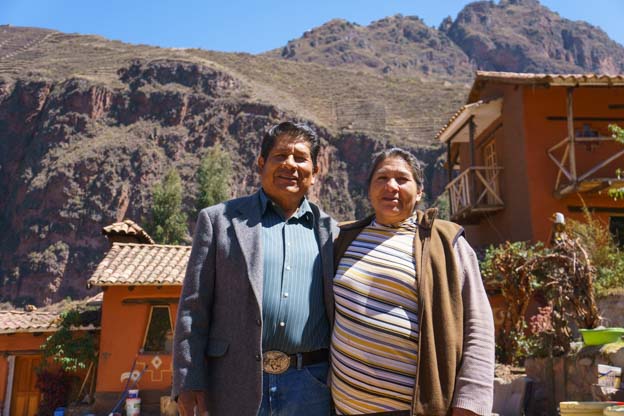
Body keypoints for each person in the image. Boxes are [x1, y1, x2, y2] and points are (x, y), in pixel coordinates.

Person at [172, 121, 338, 416]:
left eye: (300, 158)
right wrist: (187, 378)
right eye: (280, 156)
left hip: (310, 386)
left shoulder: (331, 232)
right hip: (234, 382)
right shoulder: (219, 221)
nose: (290, 164)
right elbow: (193, 308)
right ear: (261, 163)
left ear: (314, 173)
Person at [331, 148, 495, 416]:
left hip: (417, 408)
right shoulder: (343, 240)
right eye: (381, 178)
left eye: (402, 179)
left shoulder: (447, 243)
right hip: (346, 408)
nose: (391, 186)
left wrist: (470, 404)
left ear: (419, 191)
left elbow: (478, 326)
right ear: (369, 190)